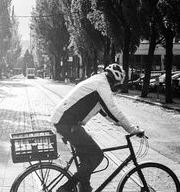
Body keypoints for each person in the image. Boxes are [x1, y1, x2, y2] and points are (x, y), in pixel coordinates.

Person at [51, 63, 144, 192]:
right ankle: (65, 188)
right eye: (116, 84)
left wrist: (123, 125)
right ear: (113, 80)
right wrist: (132, 129)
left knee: (87, 159)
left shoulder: (97, 81)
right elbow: (113, 110)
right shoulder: (102, 84)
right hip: (67, 123)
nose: (115, 87)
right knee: (97, 156)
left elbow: (106, 113)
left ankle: (85, 188)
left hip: (67, 122)